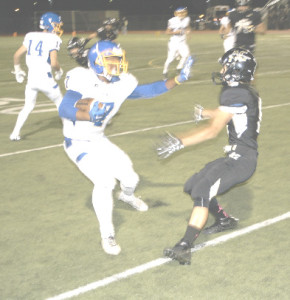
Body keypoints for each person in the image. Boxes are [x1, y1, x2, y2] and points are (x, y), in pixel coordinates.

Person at [58, 40, 194, 256]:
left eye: (118, 60)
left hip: (98, 139)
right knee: (105, 182)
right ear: (97, 61)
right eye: (111, 60)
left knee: (131, 178)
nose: (117, 65)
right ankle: (107, 234)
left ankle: (127, 196)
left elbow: (146, 91)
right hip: (77, 142)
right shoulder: (81, 77)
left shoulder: (122, 82)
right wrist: (86, 113)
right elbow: (65, 107)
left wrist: (177, 80)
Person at [156, 48, 261, 265]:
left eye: (226, 66)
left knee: (203, 191)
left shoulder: (236, 93)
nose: (222, 70)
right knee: (192, 185)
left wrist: (180, 141)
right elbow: (228, 114)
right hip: (236, 157)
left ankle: (185, 246)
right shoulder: (243, 92)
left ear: (235, 69)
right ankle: (224, 219)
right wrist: (206, 112)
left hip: (241, 160)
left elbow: (213, 131)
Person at [10, 12, 64, 141]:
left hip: (31, 80)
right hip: (45, 79)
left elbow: (17, 55)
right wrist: (59, 71)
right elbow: (54, 62)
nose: (58, 27)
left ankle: (15, 133)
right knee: (60, 102)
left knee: (28, 106)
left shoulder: (30, 36)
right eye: (56, 25)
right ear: (50, 25)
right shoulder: (54, 39)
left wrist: (18, 70)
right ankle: (72, 131)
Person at [162, 7, 191, 79]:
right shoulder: (172, 20)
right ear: (176, 13)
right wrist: (175, 32)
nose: (181, 14)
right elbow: (167, 32)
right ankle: (165, 71)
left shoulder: (187, 19)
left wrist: (188, 33)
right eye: (179, 13)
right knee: (170, 58)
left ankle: (179, 68)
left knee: (186, 55)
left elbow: (187, 27)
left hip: (182, 42)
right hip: (174, 42)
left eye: (182, 12)